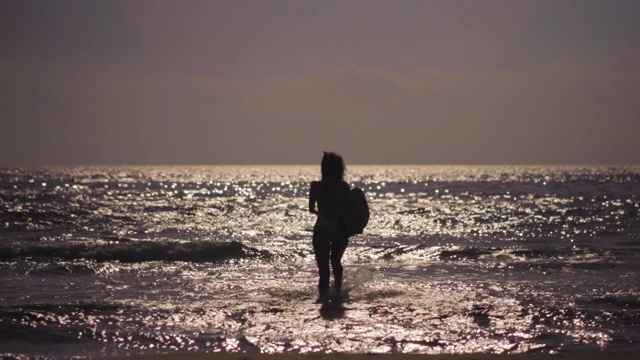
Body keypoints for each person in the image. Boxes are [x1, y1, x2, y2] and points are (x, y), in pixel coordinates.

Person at [308, 152, 352, 300]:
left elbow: (311, 209)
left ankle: (323, 297)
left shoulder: (315, 186)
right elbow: (349, 209)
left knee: (323, 267)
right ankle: (338, 293)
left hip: (321, 226)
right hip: (340, 227)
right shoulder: (343, 186)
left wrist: (322, 213)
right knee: (335, 262)